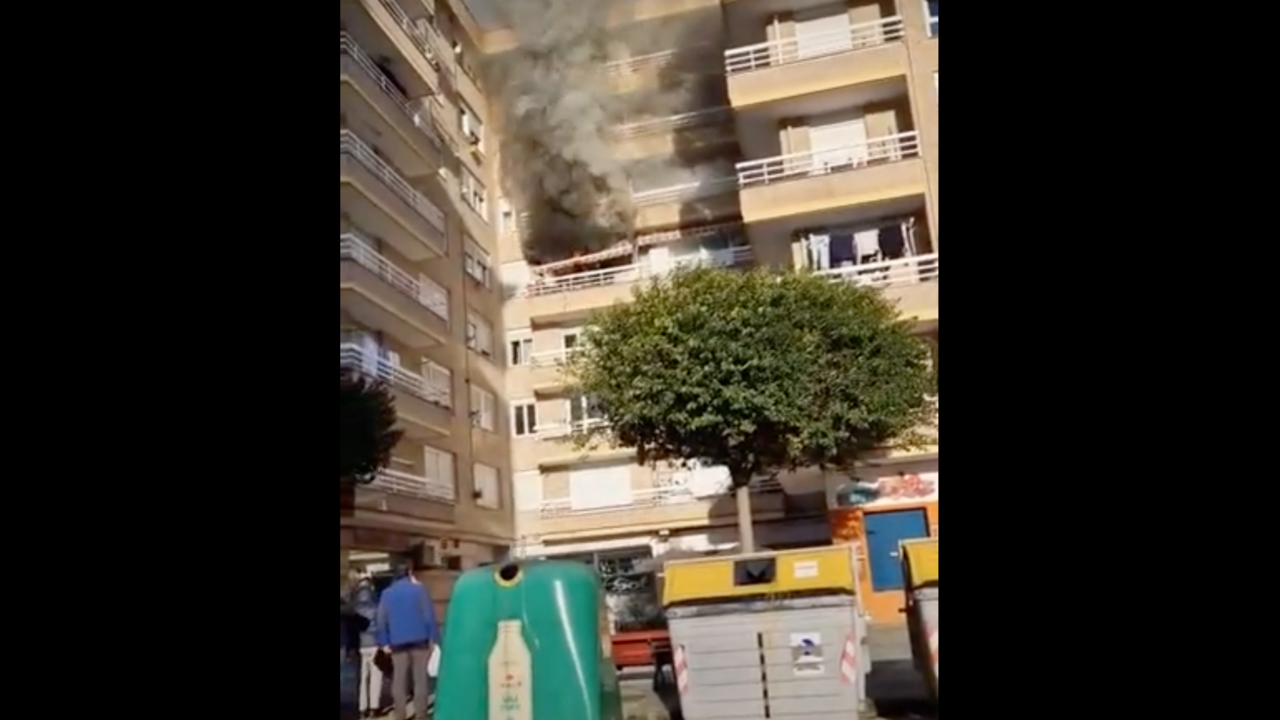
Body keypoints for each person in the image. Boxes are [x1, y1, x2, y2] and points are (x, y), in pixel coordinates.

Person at [376, 559, 438, 720]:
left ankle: (400, 714)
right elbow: (429, 616)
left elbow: (381, 620)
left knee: (399, 680)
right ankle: (421, 714)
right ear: (410, 573)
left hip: (397, 643)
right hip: (420, 641)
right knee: (420, 679)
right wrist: (433, 638)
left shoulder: (387, 594)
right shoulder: (419, 590)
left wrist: (384, 643)